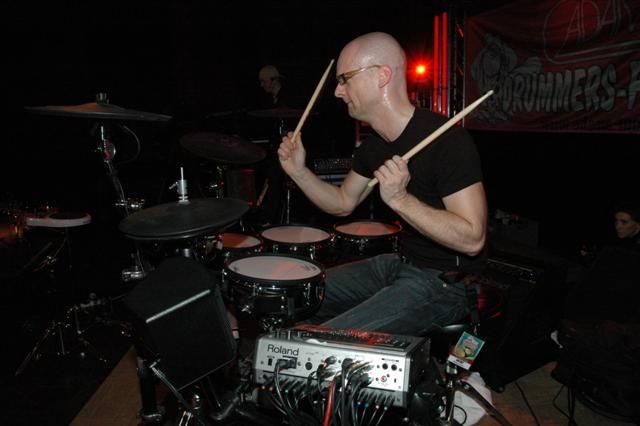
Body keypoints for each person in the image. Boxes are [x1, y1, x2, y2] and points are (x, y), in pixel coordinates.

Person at [277, 32, 488, 335]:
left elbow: (472, 240)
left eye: (345, 79)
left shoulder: (448, 140)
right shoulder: (373, 147)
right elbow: (342, 203)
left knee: (324, 342)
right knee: (293, 293)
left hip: (446, 281)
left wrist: (401, 200)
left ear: (382, 75)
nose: (337, 91)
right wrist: (299, 172)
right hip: (399, 263)